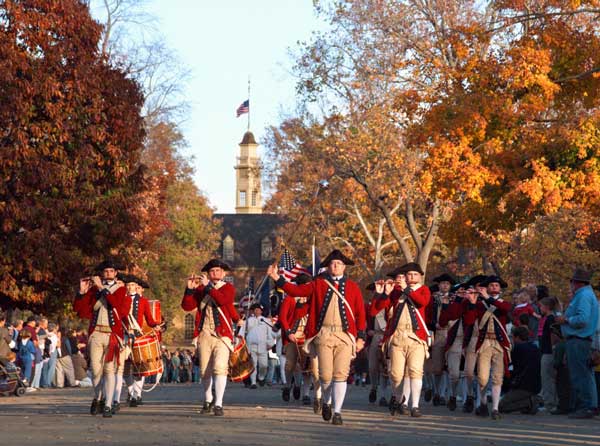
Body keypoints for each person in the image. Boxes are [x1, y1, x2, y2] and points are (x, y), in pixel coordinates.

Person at [268, 249, 367, 426]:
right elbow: (296, 291)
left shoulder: (353, 287)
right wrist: (278, 279)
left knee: (341, 374)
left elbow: (360, 314)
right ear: (327, 267)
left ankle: (337, 412)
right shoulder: (318, 284)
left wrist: (361, 337)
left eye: (338, 263)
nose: (335, 266)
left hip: (345, 336)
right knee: (325, 375)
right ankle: (327, 401)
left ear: (344, 267)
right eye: (332, 263)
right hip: (323, 334)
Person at [371, 263, 431, 418]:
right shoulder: (396, 292)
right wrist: (383, 294)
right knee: (396, 374)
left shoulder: (424, 290)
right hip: (397, 337)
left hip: (416, 337)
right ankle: (400, 401)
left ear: (419, 277)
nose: (411, 277)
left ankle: (415, 405)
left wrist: (406, 289)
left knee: (415, 371)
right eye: (408, 274)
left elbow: (421, 302)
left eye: (414, 275)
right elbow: (375, 310)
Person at [74, 259, 131, 418]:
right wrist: (82, 292)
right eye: (105, 271)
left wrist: (101, 288)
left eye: (111, 271)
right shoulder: (94, 290)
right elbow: (81, 311)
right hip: (96, 334)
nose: (108, 274)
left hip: (112, 334)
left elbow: (118, 307)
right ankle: (98, 397)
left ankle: (108, 404)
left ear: (115, 273)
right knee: (96, 371)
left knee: (109, 369)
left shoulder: (121, 289)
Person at [181, 258, 239, 417]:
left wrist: (207, 287)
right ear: (208, 273)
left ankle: (218, 404)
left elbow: (222, 300)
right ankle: (208, 399)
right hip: (204, 333)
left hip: (222, 335)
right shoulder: (201, 289)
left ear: (223, 273)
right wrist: (189, 290)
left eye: (218, 271)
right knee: (205, 371)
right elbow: (187, 306)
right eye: (212, 271)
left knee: (220, 368)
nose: (215, 273)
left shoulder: (228, 288)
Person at [556, 268, 599, 418]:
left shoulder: (583, 296)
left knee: (579, 375)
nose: (571, 285)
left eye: (572, 282)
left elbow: (583, 319)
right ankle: (588, 406)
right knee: (585, 374)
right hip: (581, 340)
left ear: (577, 283)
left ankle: (585, 407)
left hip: (578, 340)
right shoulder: (586, 295)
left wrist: (565, 319)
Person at [473, 275, 512, 420]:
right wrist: (471, 301)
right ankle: (482, 403)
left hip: (499, 344)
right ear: (487, 288)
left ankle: (495, 408)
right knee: (482, 378)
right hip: (484, 344)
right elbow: (471, 319)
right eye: (491, 285)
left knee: (497, 377)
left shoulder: (503, 303)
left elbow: (504, 309)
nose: (494, 287)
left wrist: (487, 299)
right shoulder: (479, 303)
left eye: (496, 285)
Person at [121, 274, 161, 408]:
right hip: (124, 335)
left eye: (132, 285)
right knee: (126, 367)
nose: (130, 287)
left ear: (136, 287)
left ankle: (136, 395)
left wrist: (155, 325)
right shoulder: (121, 299)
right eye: (128, 285)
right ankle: (131, 392)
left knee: (139, 367)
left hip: (137, 335)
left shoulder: (143, 301)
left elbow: (149, 318)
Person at [439, 282, 480, 412]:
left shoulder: (476, 305)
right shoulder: (454, 304)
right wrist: (454, 302)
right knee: (454, 374)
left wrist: (471, 303)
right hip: (455, 341)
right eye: (461, 292)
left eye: (467, 292)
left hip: (471, 340)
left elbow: (469, 320)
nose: (465, 295)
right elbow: (443, 321)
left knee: (469, 373)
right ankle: (453, 395)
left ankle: (469, 396)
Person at [425, 273, 455, 406]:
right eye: (443, 283)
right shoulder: (433, 299)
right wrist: (432, 325)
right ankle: (436, 391)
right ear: (439, 285)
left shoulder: (455, 299)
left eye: (447, 284)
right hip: (438, 333)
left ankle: (444, 394)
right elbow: (427, 315)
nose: (445, 286)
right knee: (437, 367)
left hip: (452, 333)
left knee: (449, 367)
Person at [498, 326, 541, 414]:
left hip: (523, 386)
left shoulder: (518, 348)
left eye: (513, 337)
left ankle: (529, 402)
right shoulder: (534, 348)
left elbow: (511, 366)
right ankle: (529, 403)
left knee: (501, 406)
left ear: (517, 337)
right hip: (535, 385)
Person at [365, 281, 389, 407]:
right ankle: (374, 387)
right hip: (374, 337)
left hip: (386, 336)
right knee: (373, 367)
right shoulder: (369, 306)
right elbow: (364, 321)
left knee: (385, 368)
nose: (376, 293)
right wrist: (367, 331)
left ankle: (383, 395)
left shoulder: (389, 304)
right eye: (374, 291)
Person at [241, 303, 275, 388]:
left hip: (263, 346)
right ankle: (253, 382)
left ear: (261, 311)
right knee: (253, 364)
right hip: (251, 346)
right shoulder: (248, 321)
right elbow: (242, 333)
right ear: (253, 311)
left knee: (264, 365)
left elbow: (270, 333)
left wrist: (270, 343)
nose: (257, 311)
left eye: (258, 309)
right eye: (255, 309)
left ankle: (261, 377)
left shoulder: (266, 321)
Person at [538, 296, 558, 412]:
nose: (539, 308)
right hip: (546, 350)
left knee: (547, 378)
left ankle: (549, 403)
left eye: (540, 306)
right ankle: (549, 401)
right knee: (547, 377)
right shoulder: (547, 318)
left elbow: (552, 335)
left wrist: (552, 348)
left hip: (548, 351)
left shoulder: (550, 319)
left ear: (546, 307)